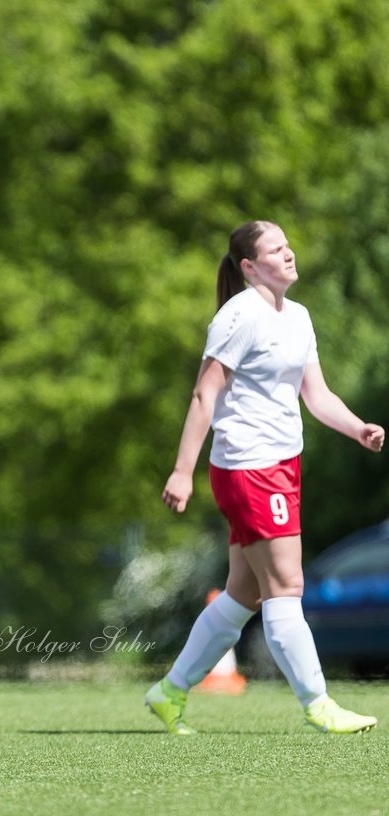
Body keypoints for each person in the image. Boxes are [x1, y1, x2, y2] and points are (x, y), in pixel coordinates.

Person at [147, 220, 384, 735]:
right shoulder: (239, 317)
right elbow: (203, 395)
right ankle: (319, 704)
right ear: (250, 267)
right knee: (287, 587)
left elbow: (315, 395)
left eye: (288, 245)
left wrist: (356, 428)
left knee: (245, 595)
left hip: (282, 465)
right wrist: (183, 471)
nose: (289, 253)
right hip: (249, 468)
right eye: (275, 249)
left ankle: (169, 692)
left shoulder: (297, 316)